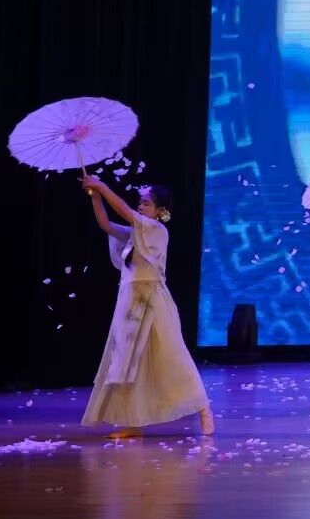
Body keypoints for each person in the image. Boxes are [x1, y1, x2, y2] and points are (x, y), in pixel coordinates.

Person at [79, 176, 214, 437]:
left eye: (146, 203)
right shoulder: (135, 233)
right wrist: (95, 197)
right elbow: (106, 224)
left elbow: (124, 212)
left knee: (172, 356)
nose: (141, 207)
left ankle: (202, 407)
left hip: (153, 300)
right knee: (129, 363)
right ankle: (134, 423)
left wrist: (103, 187)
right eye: (140, 203)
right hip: (130, 302)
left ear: (161, 211)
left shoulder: (156, 230)